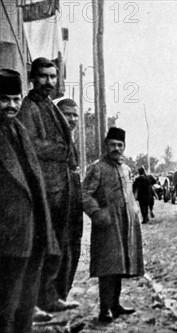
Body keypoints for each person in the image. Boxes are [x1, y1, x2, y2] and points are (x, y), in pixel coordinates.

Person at [16, 57, 79, 313]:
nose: (49, 82)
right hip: (42, 189)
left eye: (53, 77)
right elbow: (30, 144)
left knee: (54, 246)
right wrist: (59, 149)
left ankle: (48, 297)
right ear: (32, 78)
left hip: (59, 189)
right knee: (40, 248)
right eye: (43, 76)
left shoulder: (49, 106)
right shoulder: (28, 107)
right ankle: (31, 305)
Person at [0, 69, 61, 333]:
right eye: (3, 99)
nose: (12, 105)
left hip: (32, 235)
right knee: (4, 308)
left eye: (16, 99)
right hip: (6, 240)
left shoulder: (19, 130)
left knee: (25, 306)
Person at [81, 127, 144, 323]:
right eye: (112, 145)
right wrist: (97, 213)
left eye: (120, 145)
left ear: (124, 147)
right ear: (106, 145)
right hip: (107, 223)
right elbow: (84, 195)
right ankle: (104, 309)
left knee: (120, 265)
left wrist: (134, 212)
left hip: (126, 223)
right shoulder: (97, 168)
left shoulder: (125, 168)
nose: (116, 148)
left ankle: (115, 304)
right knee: (107, 267)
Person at [55, 98, 84, 301]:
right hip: (58, 211)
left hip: (73, 212)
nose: (72, 119)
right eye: (67, 114)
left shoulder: (70, 141)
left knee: (72, 256)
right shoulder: (55, 141)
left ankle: (62, 300)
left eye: (75, 115)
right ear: (57, 115)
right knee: (59, 261)